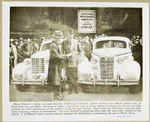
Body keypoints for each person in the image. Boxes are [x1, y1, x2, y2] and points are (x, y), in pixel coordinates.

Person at [62, 28, 81, 95]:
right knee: (69, 76)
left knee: (75, 76)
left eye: (71, 34)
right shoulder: (64, 42)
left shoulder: (76, 42)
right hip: (67, 62)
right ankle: (70, 90)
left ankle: (76, 90)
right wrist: (64, 56)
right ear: (67, 35)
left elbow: (80, 51)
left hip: (74, 61)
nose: (70, 36)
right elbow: (62, 52)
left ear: (73, 35)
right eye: (68, 34)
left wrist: (77, 57)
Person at [47, 31, 64, 100]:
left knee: (58, 80)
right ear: (55, 37)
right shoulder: (53, 45)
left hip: (57, 64)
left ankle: (59, 94)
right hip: (54, 65)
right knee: (55, 81)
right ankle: (56, 95)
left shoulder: (56, 44)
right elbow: (55, 55)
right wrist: (64, 57)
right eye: (58, 37)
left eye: (60, 37)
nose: (59, 38)